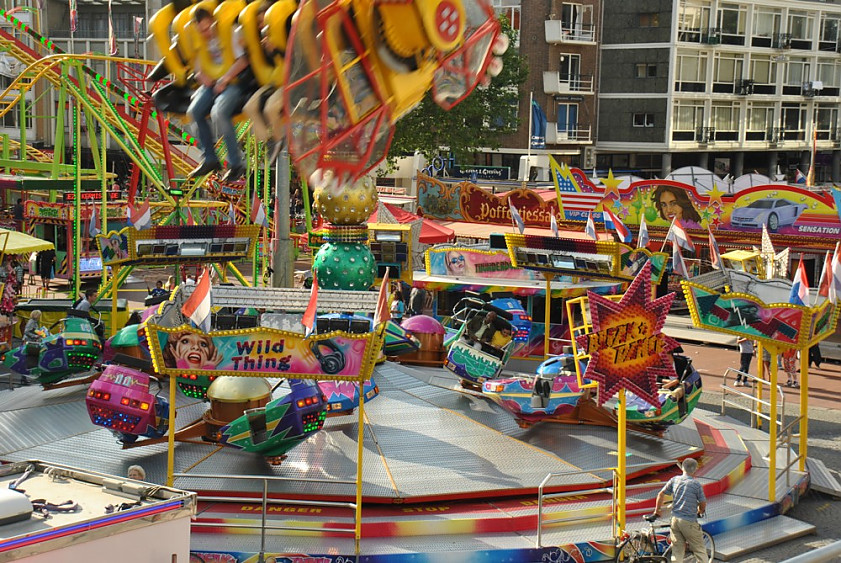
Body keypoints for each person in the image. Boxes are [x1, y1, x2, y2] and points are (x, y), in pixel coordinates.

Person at [186, 7, 251, 181]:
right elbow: (198, 68)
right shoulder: (200, 41)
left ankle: (236, 162)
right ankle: (209, 157)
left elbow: (243, 60)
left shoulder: (229, 33)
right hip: (211, 85)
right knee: (193, 111)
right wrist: (201, 76)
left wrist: (225, 79)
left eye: (207, 28)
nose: (206, 33)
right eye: (202, 30)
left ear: (213, 22)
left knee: (219, 112)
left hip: (233, 83)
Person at [650, 458, 708, 563]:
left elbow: (661, 494)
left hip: (675, 520)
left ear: (682, 468)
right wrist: (700, 511)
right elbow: (703, 502)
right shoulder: (696, 485)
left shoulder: (674, 479)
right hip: (689, 522)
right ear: (695, 470)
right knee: (699, 550)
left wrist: (657, 510)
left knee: (677, 551)